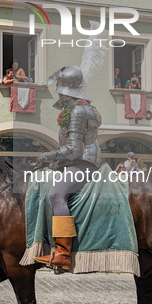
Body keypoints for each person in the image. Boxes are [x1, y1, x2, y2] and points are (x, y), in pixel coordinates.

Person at [32, 66, 101, 270]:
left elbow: (73, 150)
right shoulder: (81, 107)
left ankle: (62, 253)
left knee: (56, 195)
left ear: (66, 89)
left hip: (82, 163)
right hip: (76, 162)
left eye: (60, 88)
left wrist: (45, 156)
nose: (58, 93)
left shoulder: (78, 110)